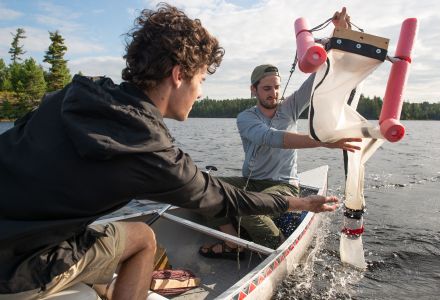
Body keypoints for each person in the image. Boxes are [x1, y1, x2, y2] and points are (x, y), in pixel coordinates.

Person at [0, 3, 340, 300]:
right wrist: (299, 203)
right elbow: (223, 199)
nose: (202, 93)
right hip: (20, 270)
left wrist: (333, 52)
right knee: (144, 238)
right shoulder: (149, 149)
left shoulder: (71, 96)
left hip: (18, 241)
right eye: (201, 80)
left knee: (107, 235)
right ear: (179, 75)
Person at [199, 7, 360, 257]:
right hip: (253, 182)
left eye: (275, 87)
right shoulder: (245, 118)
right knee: (200, 188)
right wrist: (323, 142)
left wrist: (340, 33)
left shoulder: (290, 107)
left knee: (247, 208)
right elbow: (270, 138)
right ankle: (233, 242)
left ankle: (275, 249)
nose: (273, 93)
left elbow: (320, 76)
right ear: (253, 90)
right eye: (266, 88)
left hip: (283, 186)